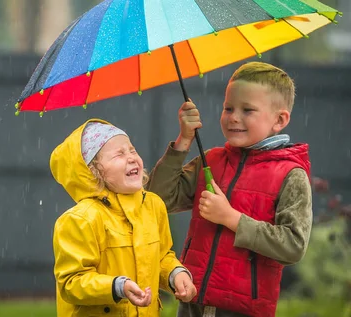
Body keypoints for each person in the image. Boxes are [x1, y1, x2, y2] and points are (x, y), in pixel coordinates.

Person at [147, 62, 313, 317]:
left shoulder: (291, 175)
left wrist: (231, 218)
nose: (234, 117)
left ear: (279, 119)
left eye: (247, 110)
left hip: (242, 311)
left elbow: (293, 246)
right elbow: (158, 200)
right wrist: (183, 142)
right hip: (192, 302)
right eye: (228, 108)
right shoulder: (211, 161)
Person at [50, 119, 197, 317]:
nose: (131, 158)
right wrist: (117, 287)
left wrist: (175, 274)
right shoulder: (80, 220)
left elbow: (161, 257)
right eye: (119, 154)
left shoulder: (153, 206)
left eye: (132, 150)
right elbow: (71, 283)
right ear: (93, 172)